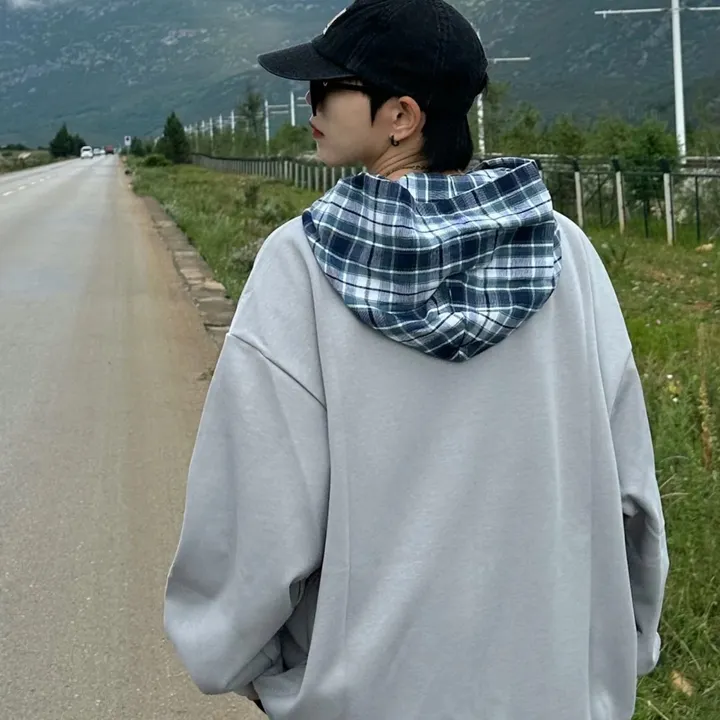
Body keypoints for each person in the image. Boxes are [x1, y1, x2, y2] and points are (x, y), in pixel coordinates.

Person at [163, 0, 669, 718]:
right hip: (551, 689)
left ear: (401, 116)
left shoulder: (301, 264)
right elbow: (632, 495)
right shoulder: (567, 256)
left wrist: (247, 666)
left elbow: (255, 513)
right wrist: (621, 650)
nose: (310, 102)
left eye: (330, 86)